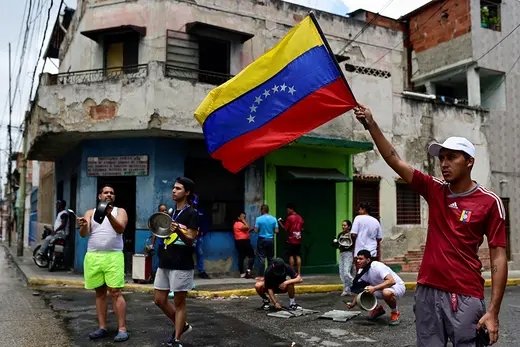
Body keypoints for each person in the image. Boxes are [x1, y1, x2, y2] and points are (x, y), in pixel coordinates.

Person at [354, 105, 507, 345]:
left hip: (465, 294)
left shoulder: (489, 202)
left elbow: (498, 257)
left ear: (469, 162)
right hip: (427, 293)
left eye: (452, 157)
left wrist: (494, 312)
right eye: (442, 158)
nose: (444, 163)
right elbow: (394, 160)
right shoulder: (434, 189)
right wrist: (371, 125)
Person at [77, 185, 129, 342]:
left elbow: (120, 229)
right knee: (100, 293)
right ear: (100, 196)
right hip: (93, 257)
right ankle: (102, 327)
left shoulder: (120, 212)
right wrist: (83, 225)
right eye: (106, 192)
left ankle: (122, 329)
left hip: (113, 257)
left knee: (116, 292)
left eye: (112, 193)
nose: (109, 195)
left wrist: (108, 215)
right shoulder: (90, 213)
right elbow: (84, 234)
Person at [153, 177, 200, 347]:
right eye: (173, 188)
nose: (173, 191)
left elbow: (191, 239)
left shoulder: (192, 213)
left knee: (179, 303)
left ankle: (177, 339)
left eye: (178, 188)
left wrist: (179, 231)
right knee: (159, 299)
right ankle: (183, 326)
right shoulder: (171, 212)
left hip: (182, 263)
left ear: (187, 192)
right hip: (165, 261)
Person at [346, 250, 405, 325]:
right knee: (365, 292)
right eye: (357, 259)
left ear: (368, 260)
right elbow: (360, 290)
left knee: (386, 293)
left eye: (361, 259)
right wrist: (352, 304)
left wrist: (374, 288)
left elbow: (391, 281)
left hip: (396, 286)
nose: (358, 261)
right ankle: (377, 310)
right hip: (381, 288)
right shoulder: (361, 271)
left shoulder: (377, 266)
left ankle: (395, 312)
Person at [351, 201, 382, 267]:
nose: (358, 211)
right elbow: (379, 238)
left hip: (360, 252)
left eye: (359, 209)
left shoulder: (358, 218)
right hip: (372, 252)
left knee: (360, 273)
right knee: (372, 272)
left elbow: (353, 234)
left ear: (363, 209)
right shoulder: (375, 221)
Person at [278, 203, 304, 276]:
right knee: (298, 256)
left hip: (291, 240)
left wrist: (280, 222)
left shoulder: (289, 218)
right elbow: (302, 228)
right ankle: (299, 273)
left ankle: (292, 273)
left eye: (288, 209)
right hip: (298, 239)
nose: (287, 211)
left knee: (291, 256)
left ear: (292, 209)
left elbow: (285, 228)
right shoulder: (300, 217)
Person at [254, 204, 278, 280]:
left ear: (262, 210)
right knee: (271, 258)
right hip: (270, 239)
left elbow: (256, 230)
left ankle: (261, 276)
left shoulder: (258, 219)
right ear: (268, 210)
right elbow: (277, 231)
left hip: (262, 239)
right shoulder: (274, 219)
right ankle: (270, 275)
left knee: (261, 258)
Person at [332, 220, 354, 296]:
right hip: (341, 253)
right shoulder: (340, 234)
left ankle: (355, 284)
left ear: (349, 227)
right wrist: (335, 243)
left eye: (345, 225)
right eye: (342, 225)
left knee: (346, 272)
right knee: (341, 272)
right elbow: (338, 245)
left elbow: (351, 245)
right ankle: (346, 289)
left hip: (348, 253)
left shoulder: (351, 235)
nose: (343, 227)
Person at [192, 194, 210, 279]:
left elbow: (205, 222)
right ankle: (189, 272)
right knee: (187, 254)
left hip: (199, 236)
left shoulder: (201, 211)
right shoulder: (187, 210)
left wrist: (203, 231)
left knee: (200, 253)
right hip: (189, 235)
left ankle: (201, 271)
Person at [233, 212, 254, 278]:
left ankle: (242, 273)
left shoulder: (239, 224)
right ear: (238, 218)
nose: (243, 218)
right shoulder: (238, 223)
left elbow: (245, 230)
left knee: (241, 256)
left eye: (244, 217)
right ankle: (248, 271)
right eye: (242, 217)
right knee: (251, 256)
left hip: (240, 242)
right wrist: (243, 220)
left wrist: (249, 231)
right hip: (243, 242)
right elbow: (247, 227)